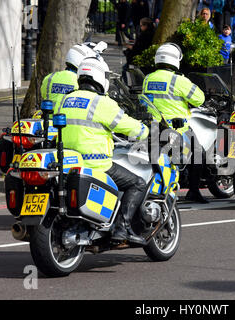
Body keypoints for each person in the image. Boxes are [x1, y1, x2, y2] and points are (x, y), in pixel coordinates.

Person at [56, 56, 150, 245]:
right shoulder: (102, 103)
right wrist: (144, 130)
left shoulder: (65, 99)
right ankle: (122, 229)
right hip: (96, 164)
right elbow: (130, 127)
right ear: (100, 78)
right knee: (138, 183)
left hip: (67, 163)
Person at [141, 43, 209, 203]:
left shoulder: (148, 78)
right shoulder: (179, 81)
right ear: (175, 60)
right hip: (177, 128)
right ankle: (193, 191)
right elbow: (199, 99)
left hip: (153, 127)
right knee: (199, 154)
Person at [42, 42, 103, 110]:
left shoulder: (49, 78)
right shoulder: (83, 83)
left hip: (48, 118)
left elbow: (44, 95)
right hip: (70, 118)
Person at [122, 17, 155, 83]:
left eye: (141, 25)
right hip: (144, 57)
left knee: (125, 69)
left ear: (146, 26)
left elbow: (138, 48)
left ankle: (129, 86)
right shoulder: (152, 33)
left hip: (140, 58)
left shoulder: (145, 35)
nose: (140, 27)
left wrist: (129, 47)